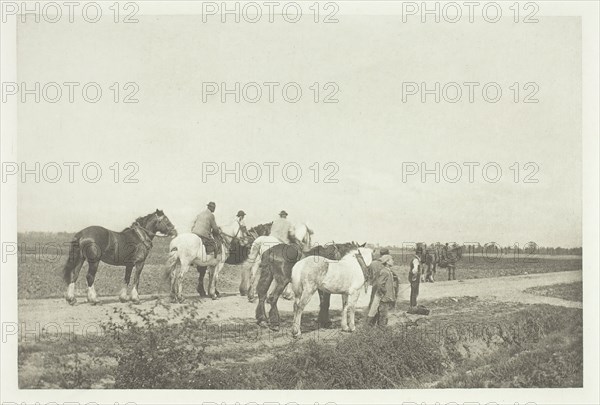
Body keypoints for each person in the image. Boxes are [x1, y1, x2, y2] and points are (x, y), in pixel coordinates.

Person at [366, 252, 396, 326]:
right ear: (387, 262)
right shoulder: (385, 272)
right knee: (383, 313)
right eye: (391, 260)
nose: (393, 261)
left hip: (385, 296)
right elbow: (380, 283)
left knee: (381, 312)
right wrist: (384, 291)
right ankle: (381, 329)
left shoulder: (387, 271)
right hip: (384, 297)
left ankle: (378, 327)